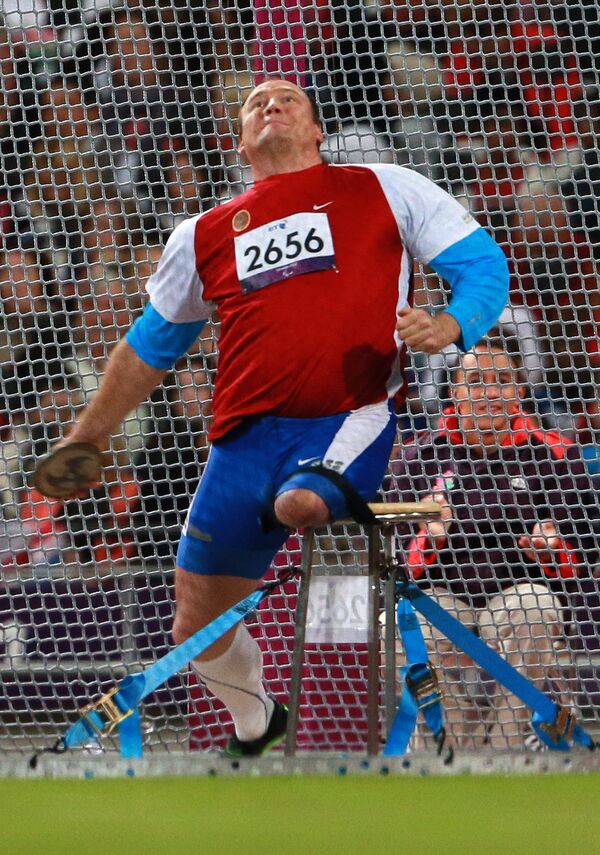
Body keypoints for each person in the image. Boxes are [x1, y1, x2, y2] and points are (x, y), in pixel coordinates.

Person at [47, 77, 508, 756]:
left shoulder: (385, 186)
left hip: (346, 416)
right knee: (193, 625)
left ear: (318, 130)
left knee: (299, 503)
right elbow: (148, 348)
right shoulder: (202, 234)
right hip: (240, 443)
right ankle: (258, 720)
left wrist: (450, 324)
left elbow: (484, 266)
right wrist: (88, 435)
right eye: (256, 104)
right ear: (239, 141)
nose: (271, 106)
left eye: (288, 99)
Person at [388, 341, 600, 749]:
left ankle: (503, 750)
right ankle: (452, 748)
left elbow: (585, 550)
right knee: (399, 624)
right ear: (455, 391)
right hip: (444, 594)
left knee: (534, 610)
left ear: (521, 391)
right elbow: (398, 561)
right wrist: (429, 538)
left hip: (520, 591)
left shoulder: (554, 454)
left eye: (502, 381)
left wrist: (553, 549)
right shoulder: (420, 456)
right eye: (476, 381)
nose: (488, 393)